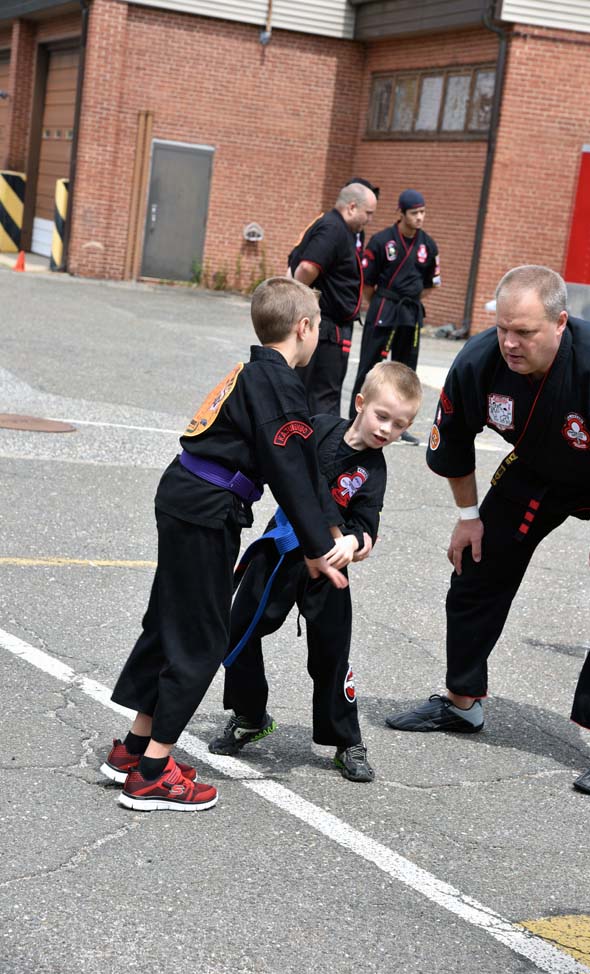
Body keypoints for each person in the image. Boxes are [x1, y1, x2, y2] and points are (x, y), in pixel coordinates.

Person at [386, 265, 590, 796]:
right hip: (538, 467)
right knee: (475, 565)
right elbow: (454, 443)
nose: (510, 342)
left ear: (560, 324)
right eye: (504, 327)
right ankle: (463, 703)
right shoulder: (480, 360)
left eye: (525, 332)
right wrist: (468, 518)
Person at [100, 277, 351, 812]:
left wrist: (328, 526)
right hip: (205, 508)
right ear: (304, 328)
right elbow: (289, 470)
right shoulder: (278, 384)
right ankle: (151, 776)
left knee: (171, 621)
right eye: (318, 330)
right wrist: (315, 549)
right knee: (200, 637)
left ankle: (136, 747)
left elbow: (302, 464)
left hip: (184, 495)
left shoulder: (254, 373)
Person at [209, 361, 422, 781]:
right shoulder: (319, 426)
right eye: (382, 416)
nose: (386, 430)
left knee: (331, 654)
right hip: (281, 552)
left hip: (328, 569)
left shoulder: (373, 471)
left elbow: (367, 527)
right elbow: (286, 467)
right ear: (360, 404)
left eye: (399, 425)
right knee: (239, 630)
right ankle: (250, 715)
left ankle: (346, 740)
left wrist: (351, 543)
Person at [349, 189, 441, 446]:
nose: (420, 218)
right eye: (415, 213)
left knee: (406, 372)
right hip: (385, 308)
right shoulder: (382, 241)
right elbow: (367, 284)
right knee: (370, 366)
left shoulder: (428, 245)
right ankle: (354, 418)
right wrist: (381, 302)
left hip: (410, 312)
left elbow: (431, 284)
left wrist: (411, 301)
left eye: (423, 212)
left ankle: (399, 424)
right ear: (400, 213)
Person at [289, 182, 378, 416]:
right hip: (327, 328)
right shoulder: (333, 229)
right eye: (368, 213)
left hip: (329, 326)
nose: (369, 220)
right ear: (351, 207)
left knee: (318, 392)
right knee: (324, 395)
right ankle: (322, 449)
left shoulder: (337, 228)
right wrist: (300, 300)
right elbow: (307, 267)